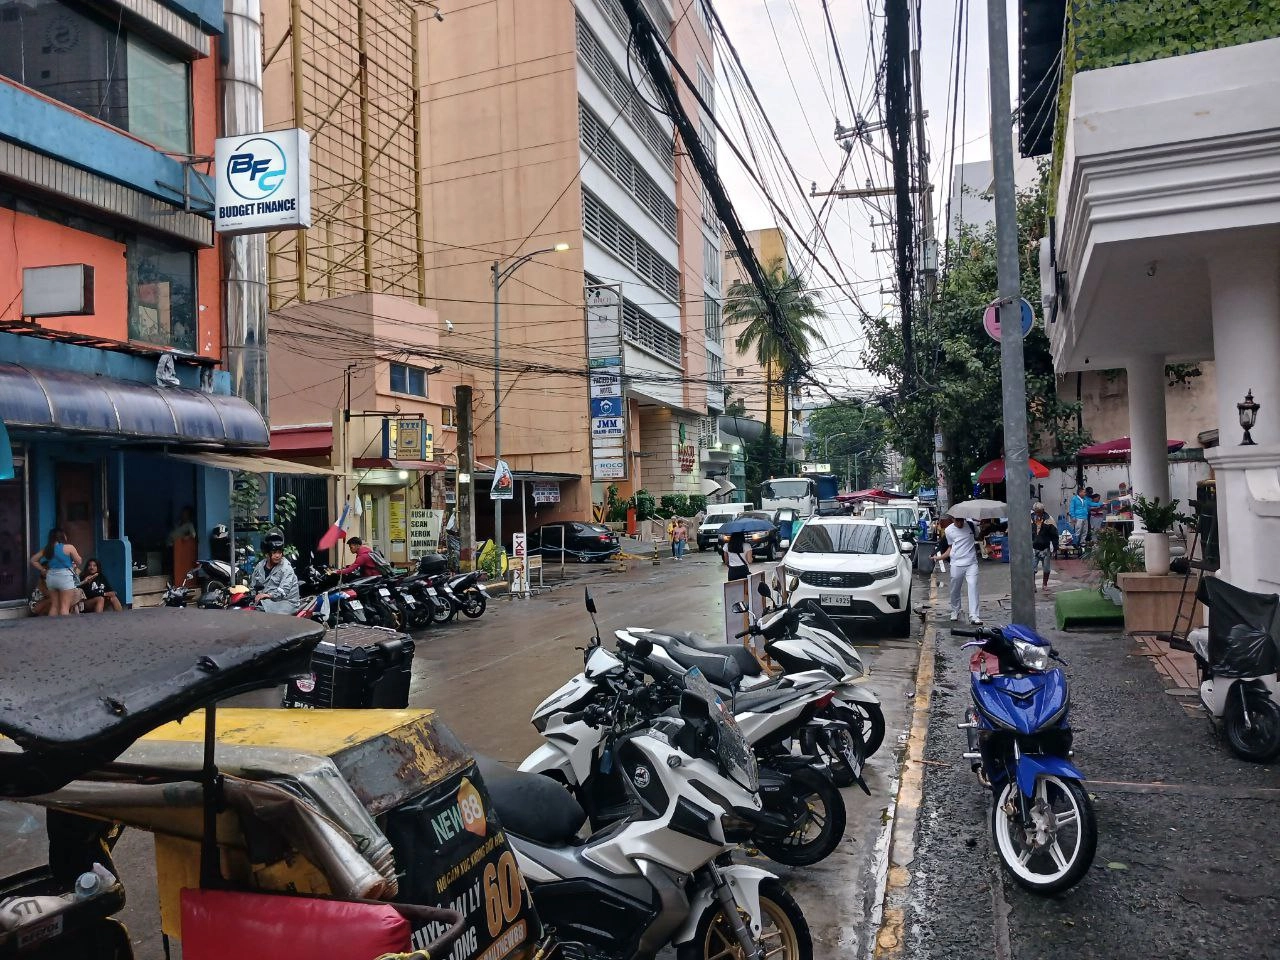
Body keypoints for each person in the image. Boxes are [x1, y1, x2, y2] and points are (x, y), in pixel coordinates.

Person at [935, 514, 981, 624]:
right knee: (955, 588)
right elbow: (950, 547)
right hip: (956, 563)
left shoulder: (971, 525)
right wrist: (940, 557)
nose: (959, 523)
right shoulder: (949, 530)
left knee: (973, 586)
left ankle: (974, 615)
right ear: (952, 519)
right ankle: (955, 610)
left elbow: (978, 536)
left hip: (971, 563)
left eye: (961, 520)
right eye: (957, 520)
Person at [30, 528, 82, 617]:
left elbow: (33, 560)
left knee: (55, 605)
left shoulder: (47, 549)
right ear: (62, 536)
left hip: (51, 577)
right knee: (64, 607)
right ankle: (64, 628)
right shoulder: (69, 547)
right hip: (65, 577)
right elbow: (79, 561)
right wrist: (73, 565)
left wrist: (43, 570)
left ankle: (52, 627)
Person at [249, 530, 300, 614]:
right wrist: (252, 596)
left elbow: (283, 591)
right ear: (267, 554)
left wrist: (267, 595)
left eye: (279, 552)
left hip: (286, 602)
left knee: (260, 611)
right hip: (267, 601)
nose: (277, 555)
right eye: (274, 552)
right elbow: (253, 586)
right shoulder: (260, 566)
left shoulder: (286, 568)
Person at [1031, 504, 1059, 592]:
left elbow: (1055, 535)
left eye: (1039, 512)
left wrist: (1055, 548)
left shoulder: (1049, 520)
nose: (1037, 513)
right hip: (1033, 547)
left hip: (1045, 547)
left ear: (1043, 510)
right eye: (1036, 512)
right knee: (1032, 568)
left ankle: (1045, 584)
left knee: (1046, 568)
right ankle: (1033, 585)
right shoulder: (1030, 519)